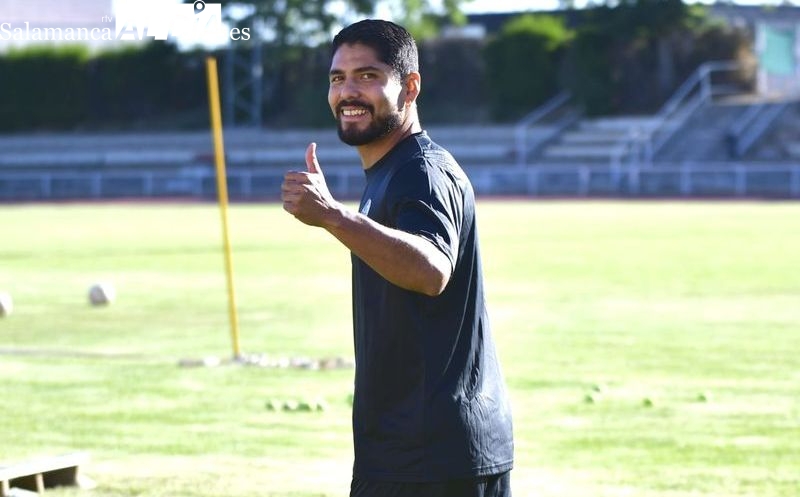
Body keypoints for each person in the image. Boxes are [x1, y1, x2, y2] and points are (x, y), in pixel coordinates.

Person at [281, 19, 514, 497]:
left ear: (410, 87)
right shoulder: (390, 171)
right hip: (409, 451)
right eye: (337, 78)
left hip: (431, 460)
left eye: (367, 76)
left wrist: (333, 216)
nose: (348, 91)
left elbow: (431, 271)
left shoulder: (421, 172)